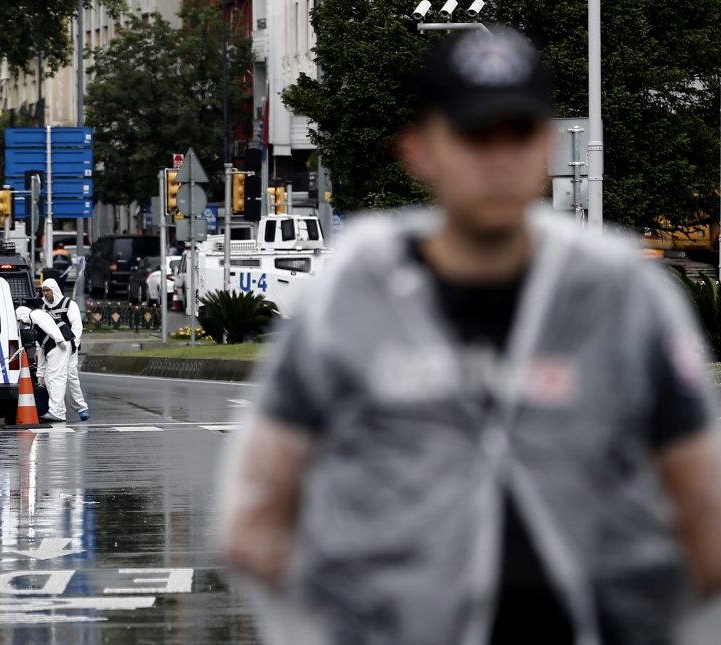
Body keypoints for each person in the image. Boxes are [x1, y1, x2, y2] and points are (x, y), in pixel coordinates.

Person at [219, 28, 721, 645]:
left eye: (519, 134)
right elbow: (254, 523)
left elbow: (705, 514)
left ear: (547, 144)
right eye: (474, 135)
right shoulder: (353, 299)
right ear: (420, 149)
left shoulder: (620, 295)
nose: (499, 158)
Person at [21, 278, 88, 423]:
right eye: (43, 291)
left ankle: (79, 407)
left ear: (54, 290)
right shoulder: (44, 309)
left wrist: (73, 346)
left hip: (67, 346)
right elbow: (43, 332)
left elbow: (77, 326)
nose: (45, 294)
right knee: (57, 378)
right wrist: (40, 350)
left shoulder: (69, 304)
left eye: (47, 290)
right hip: (55, 347)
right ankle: (68, 408)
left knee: (70, 377)